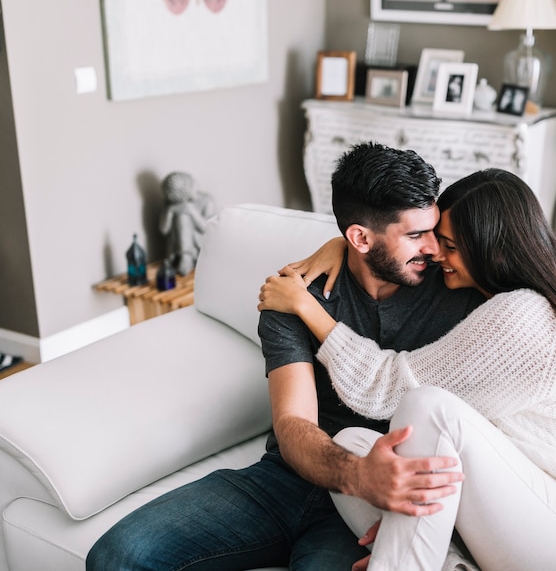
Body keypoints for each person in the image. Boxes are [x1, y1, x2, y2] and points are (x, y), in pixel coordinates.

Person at [86, 142, 485, 570]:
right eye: (415, 235)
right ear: (360, 238)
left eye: (432, 229)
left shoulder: (459, 291)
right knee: (116, 556)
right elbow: (294, 422)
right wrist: (356, 474)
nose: (434, 248)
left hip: (371, 504)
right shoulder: (293, 297)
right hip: (287, 481)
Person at [258, 168, 556, 570]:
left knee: (428, 406)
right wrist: (344, 246)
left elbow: (388, 386)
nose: (433, 252)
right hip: (501, 520)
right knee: (353, 447)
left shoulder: (525, 315)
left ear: (490, 250)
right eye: (432, 240)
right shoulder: (503, 301)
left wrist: (307, 307)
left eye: (448, 245)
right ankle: (448, 563)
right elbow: (388, 216)